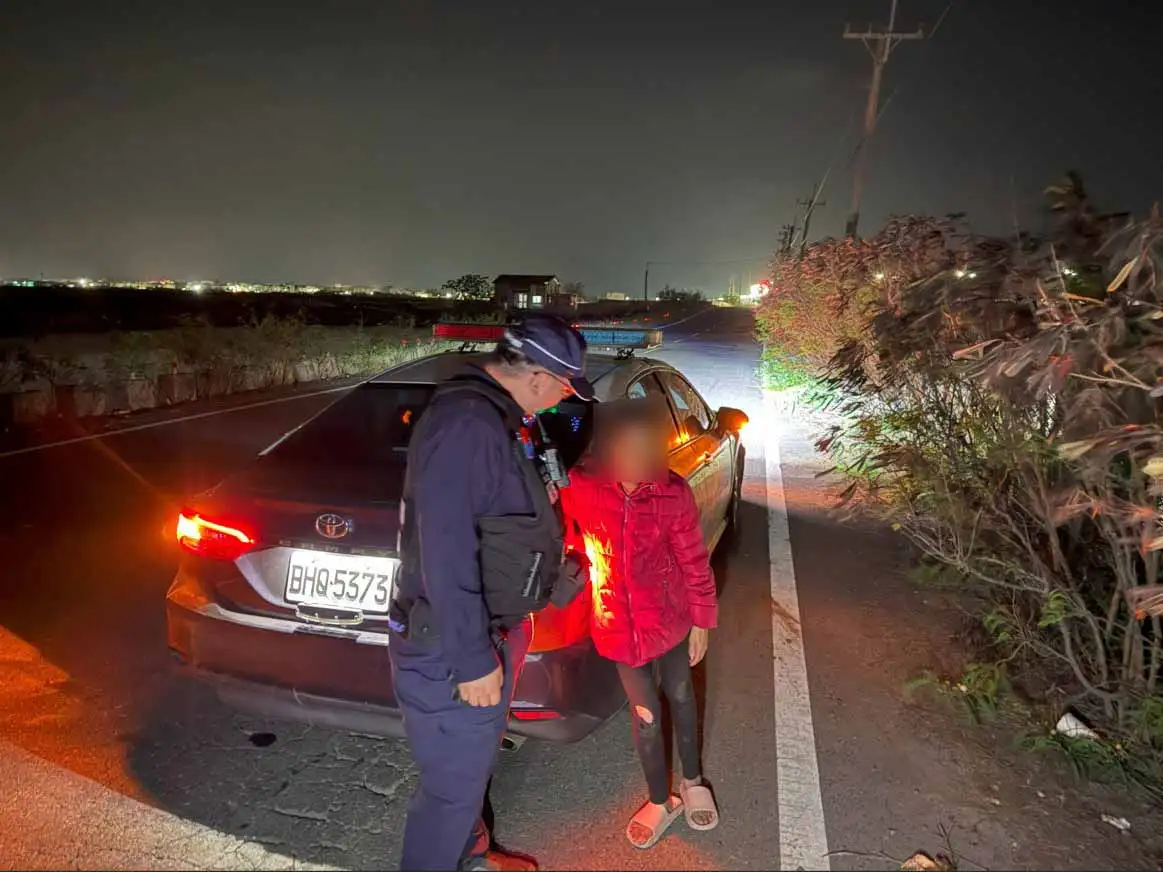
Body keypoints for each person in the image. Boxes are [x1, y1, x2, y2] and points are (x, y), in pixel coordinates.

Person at [388, 314, 594, 872]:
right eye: (561, 389)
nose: (557, 401)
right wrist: (473, 659)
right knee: (450, 792)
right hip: (452, 648)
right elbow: (445, 547)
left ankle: (473, 858)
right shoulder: (468, 424)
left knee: (468, 771)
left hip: (487, 630)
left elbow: (498, 524)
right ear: (537, 377)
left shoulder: (495, 417)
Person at [559, 396, 720, 850]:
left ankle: (692, 780)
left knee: (682, 694)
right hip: (617, 629)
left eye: (641, 451)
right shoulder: (583, 486)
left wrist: (702, 621)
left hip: (670, 621)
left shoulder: (672, 494)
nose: (631, 462)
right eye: (622, 451)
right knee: (646, 715)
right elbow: (555, 519)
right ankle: (659, 799)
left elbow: (693, 560)